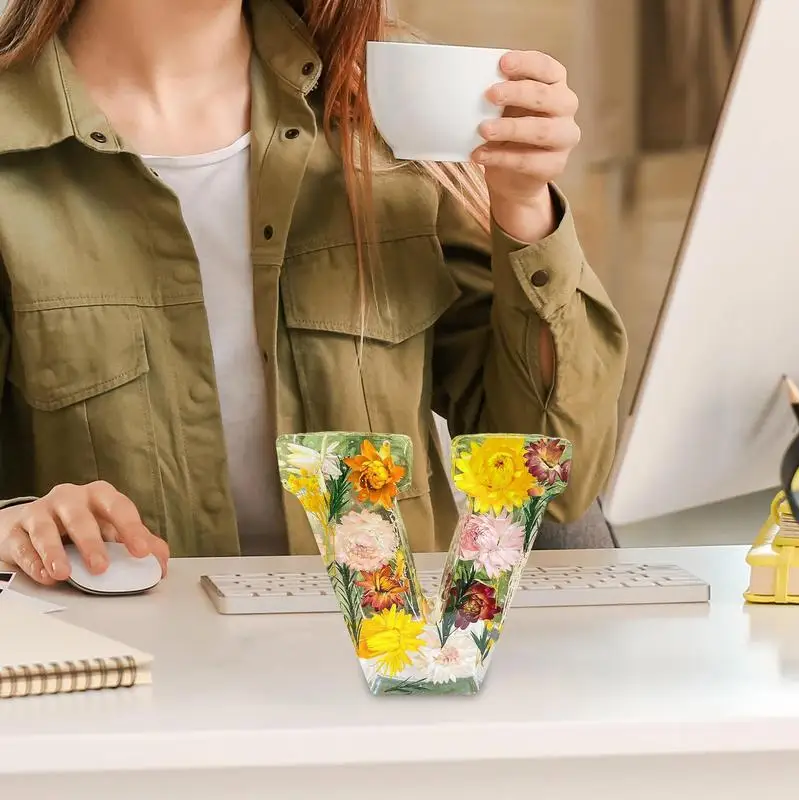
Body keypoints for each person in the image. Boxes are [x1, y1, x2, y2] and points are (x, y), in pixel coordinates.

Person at [0, 0, 627, 586]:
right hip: (131, 677)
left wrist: (523, 206)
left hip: (381, 670)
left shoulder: (387, 100)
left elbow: (551, 486)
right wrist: (16, 522)